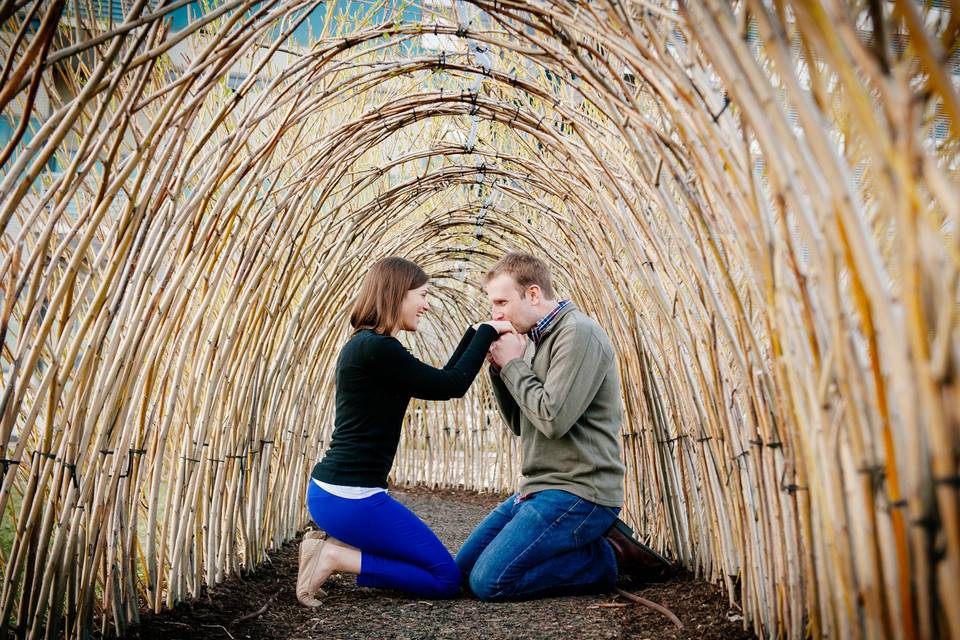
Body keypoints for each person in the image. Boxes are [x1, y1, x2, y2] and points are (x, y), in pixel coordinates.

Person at [455, 252, 674, 601]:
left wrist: (512, 363)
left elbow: (552, 420)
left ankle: (609, 557)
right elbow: (519, 423)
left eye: (501, 302)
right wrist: (499, 370)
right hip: (537, 490)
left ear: (533, 294)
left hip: (580, 491)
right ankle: (574, 545)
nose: (495, 313)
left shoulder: (578, 334)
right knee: (461, 574)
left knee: (490, 582)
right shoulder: (534, 342)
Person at [297, 256, 512, 606]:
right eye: (422, 295)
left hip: (339, 495)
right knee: (444, 579)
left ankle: (333, 551)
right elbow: (451, 385)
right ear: (398, 293)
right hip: (351, 499)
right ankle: (333, 556)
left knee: (432, 568)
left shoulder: (369, 347)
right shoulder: (377, 350)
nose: (426, 305)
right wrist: (488, 332)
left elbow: (444, 377)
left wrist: (477, 330)